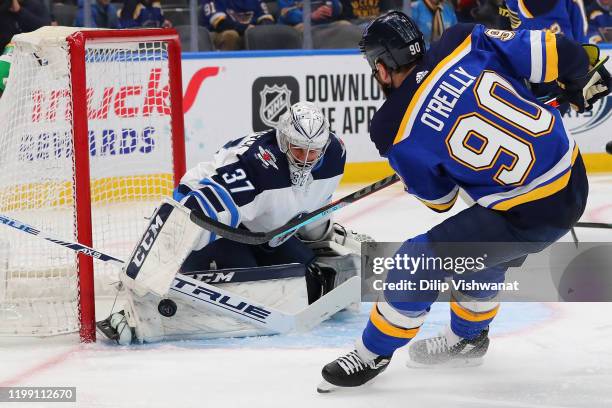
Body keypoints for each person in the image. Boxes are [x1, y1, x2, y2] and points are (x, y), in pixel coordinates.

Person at [318, 11, 610, 391]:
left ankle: (372, 351)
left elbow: (441, 201)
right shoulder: (461, 39)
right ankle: (468, 339)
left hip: (529, 215)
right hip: (571, 174)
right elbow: (554, 49)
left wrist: (417, 173)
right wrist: (577, 76)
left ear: (382, 67)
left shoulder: (391, 127)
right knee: (477, 254)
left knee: (417, 259)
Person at [97, 102, 367, 344]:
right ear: (284, 141)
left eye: (313, 152)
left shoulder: (333, 155)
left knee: (307, 278)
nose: (307, 159)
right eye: (299, 149)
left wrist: (322, 239)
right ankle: (168, 291)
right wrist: (151, 274)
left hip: (264, 231)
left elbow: (313, 205)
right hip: (208, 223)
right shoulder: (256, 164)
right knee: (249, 286)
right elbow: (200, 212)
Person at [200, 0, 274, 50]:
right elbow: (221, 24)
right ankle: (227, 66)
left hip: (250, 32)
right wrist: (246, 28)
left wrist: (258, 31)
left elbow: (266, 19)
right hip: (219, 33)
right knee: (231, 35)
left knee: (266, 34)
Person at [505, 0, 589, 42]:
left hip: (567, 60)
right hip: (531, 62)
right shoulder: (512, 2)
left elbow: (581, 31)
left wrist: (586, 58)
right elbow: (518, 38)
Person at [278, 0, 343, 29]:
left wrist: (333, 5)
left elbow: (337, 11)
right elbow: (287, 14)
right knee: (304, 28)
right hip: (296, 26)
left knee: (344, 24)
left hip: (323, 25)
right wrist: (310, 16)